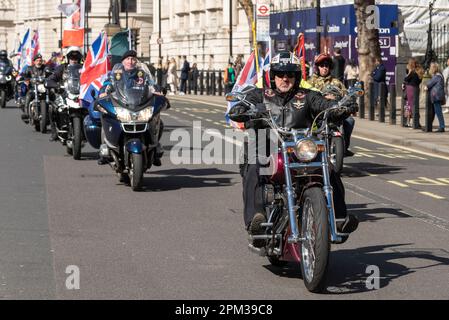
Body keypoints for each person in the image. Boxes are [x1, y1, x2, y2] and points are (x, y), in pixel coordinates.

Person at [228, 51, 359, 247]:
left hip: (299, 148)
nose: (285, 78)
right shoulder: (260, 94)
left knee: (329, 170)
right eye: (280, 74)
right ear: (273, 76)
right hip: (268, 147)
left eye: (290, 74)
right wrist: (243, 110)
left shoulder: (307, 97)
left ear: (296, 76)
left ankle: (339, 218)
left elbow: (326, 106)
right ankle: (257, 221)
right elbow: (238, 108)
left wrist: (341, 107)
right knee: (255, 167)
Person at [99, 50, 165, 166]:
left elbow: (151, 83)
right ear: (123, 61)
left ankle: (154, 150)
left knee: (158, 121)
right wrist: (103, 92)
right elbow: (107, 84)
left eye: (133, 59)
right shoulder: (116, 74)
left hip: (139, 105)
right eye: (128, 59)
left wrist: (158, 91)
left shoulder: (142, 73)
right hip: (122, 105)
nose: (130, 61)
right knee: (106, 119)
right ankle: (107, 150)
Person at [310, 53, 356, 157]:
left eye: (327, 65)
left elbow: (346, 95)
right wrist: (323, 97)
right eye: (322, 66)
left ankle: (344, 147)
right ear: (317, 67)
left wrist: (350, 103)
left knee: (350, 121)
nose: (325, 68)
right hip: (317, 114)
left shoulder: (336, 82)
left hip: (334, 112)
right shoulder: (311, 81)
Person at [45, 46, 83, 141]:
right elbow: (51, 79)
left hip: (80, 94)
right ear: (68, 58)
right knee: (52, 108)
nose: (74, 60)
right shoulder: (62, 68)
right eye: (72, 58)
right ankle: (54, 132)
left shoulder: (84, 68)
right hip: (65, 94)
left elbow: (92, 78)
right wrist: (56, 86)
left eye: (76, 58)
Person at [21, 53, 48, 122]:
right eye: (37, 60)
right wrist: (26, 79)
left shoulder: (45, 68)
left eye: (40, 60)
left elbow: (51, 73)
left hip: (44, 88)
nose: (39, 62)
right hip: (33, 88)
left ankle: (53, 112)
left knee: (52, 94)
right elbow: (24, 75)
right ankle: (26, 114)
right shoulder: (30, 69)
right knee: (28, 96)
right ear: (34, 61)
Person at [425, 62, 446, 132]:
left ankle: (442, 126)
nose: (430, 69)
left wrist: (426, 87)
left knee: (438, 112)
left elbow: (429, 84)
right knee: (434, 112)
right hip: (437, 96)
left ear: (434, 69)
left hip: (436, 97)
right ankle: (428, 125)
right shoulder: (439, 75)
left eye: (431, 68)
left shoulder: (437, 76)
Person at [402, 58, 422, 128]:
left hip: (410, 89)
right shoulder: (419, 72)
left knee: (410, 105)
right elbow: (419, 81)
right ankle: (416, 121)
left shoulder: (412, 73)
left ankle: (410, 122)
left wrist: (409, 73)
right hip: (416, 89)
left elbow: (406, 79)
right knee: (415, 105)